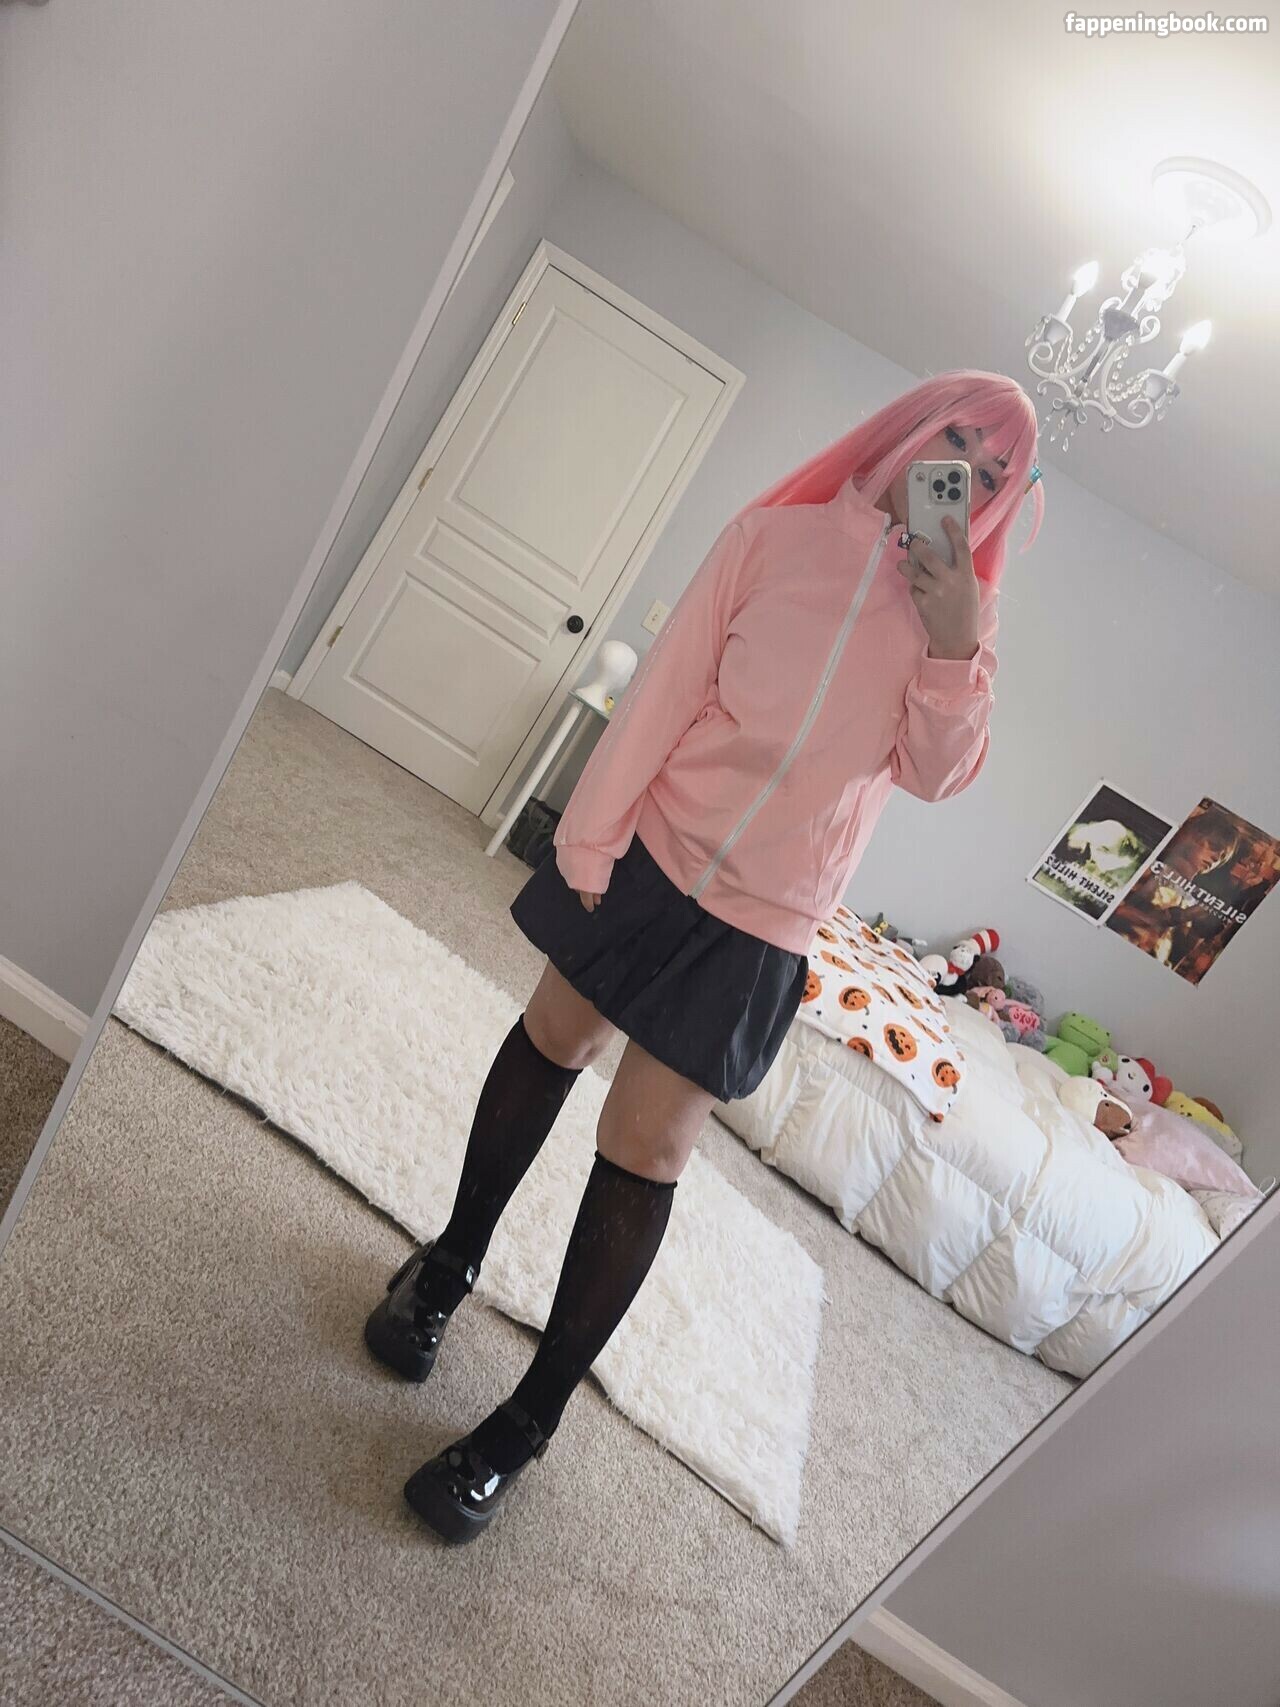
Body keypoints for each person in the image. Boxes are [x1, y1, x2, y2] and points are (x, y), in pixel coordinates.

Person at [364, 368, 1043, 1543]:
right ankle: (447, 1267)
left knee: (647, 1147)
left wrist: (951, 646)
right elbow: (667, 688)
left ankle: (525, 1423)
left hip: (762, 920)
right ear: (905, 432)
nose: (964, 480)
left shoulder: (959, 627)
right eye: (955, 443)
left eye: (991, 477)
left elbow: (935, 775)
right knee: (551, 1039)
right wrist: (590, 833)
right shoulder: (774, 540)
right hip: (653, 853)